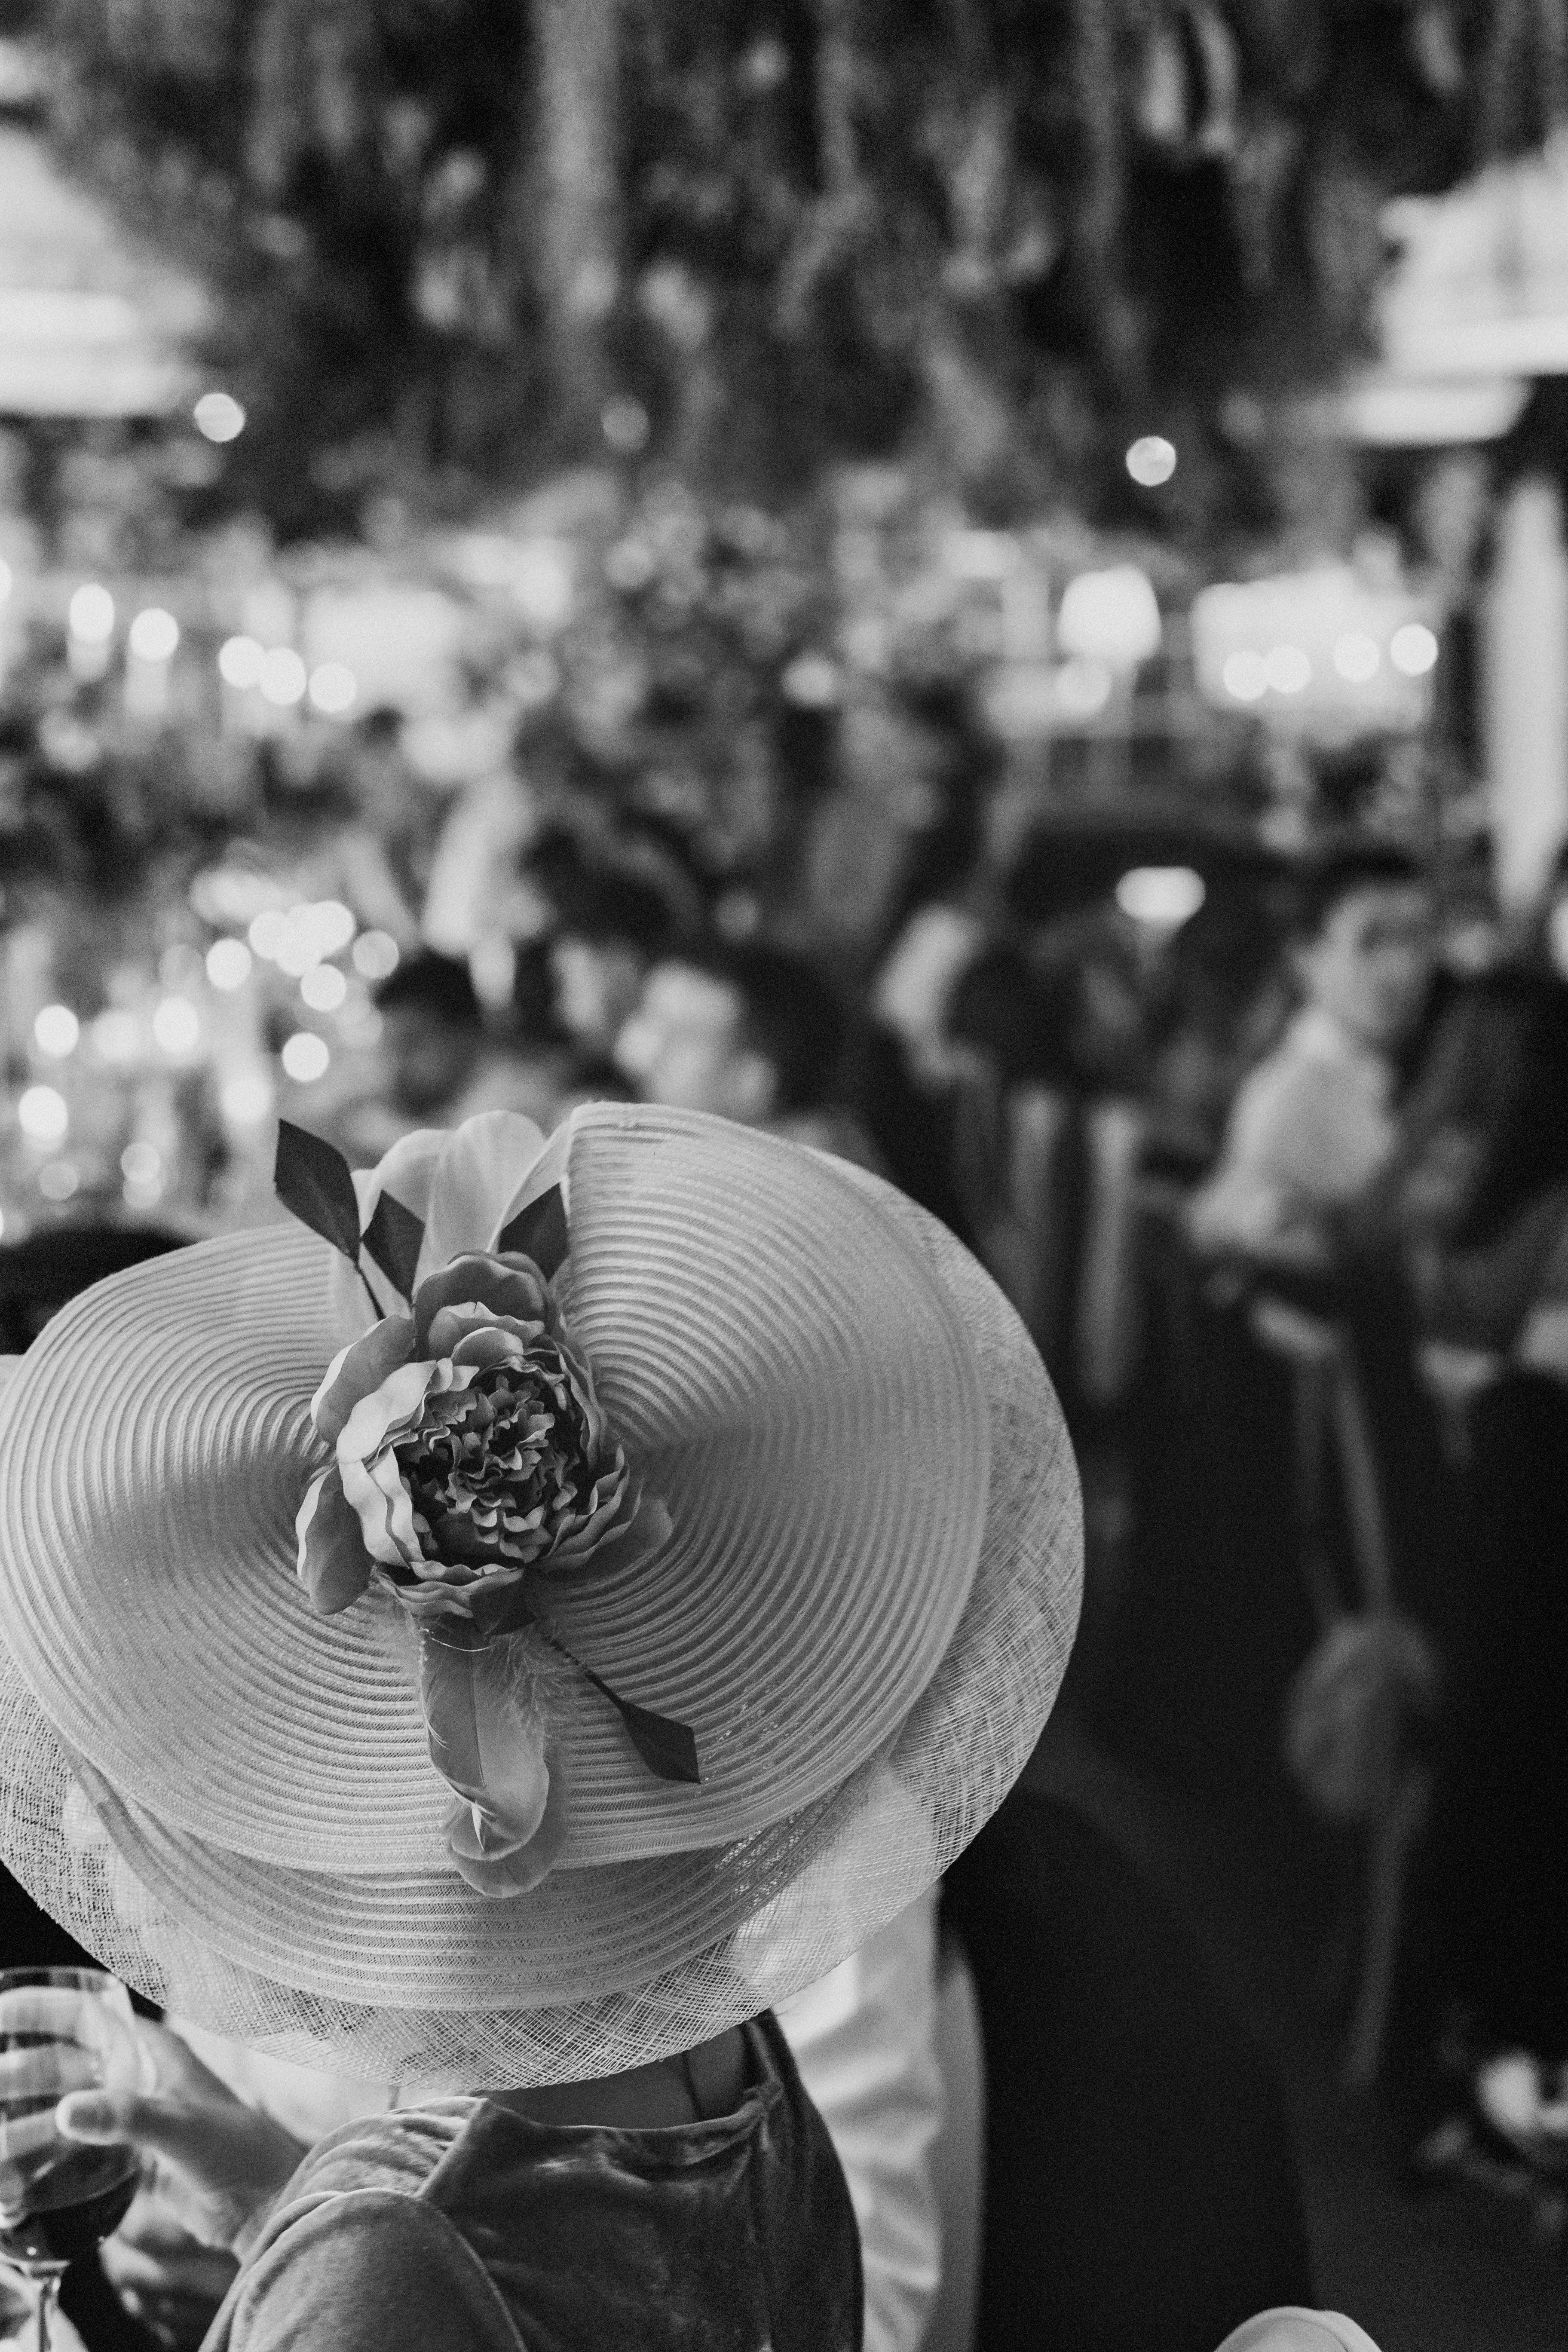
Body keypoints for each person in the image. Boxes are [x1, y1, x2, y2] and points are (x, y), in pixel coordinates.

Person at [0, 1103, 1079, 2351]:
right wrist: (274, 2214)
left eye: (152, 1756)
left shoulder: (390, 2259)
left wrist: (329, 2265)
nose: (78, 1818)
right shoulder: (727, 2067)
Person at [1188, 843, 1435, 1269]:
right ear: (1306, 956)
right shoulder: (1298, 1092)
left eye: (1417, 937)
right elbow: (1222, 1221)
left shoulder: (1387, 1071)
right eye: (1372, 941)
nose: (1403, 968)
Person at [615, 938, 884, 1170]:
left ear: (754, 1081)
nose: (630, 1053)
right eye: (643, 1018)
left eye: (679, 1037)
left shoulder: (807, 1185)